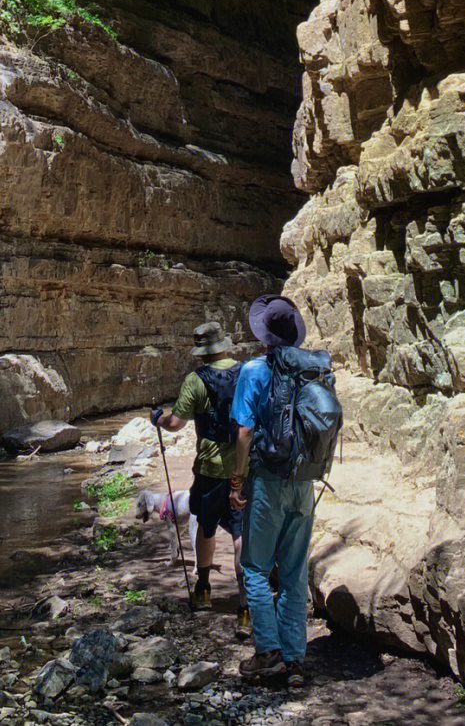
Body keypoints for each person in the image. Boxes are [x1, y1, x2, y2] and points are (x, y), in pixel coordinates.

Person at [229, 294, 313, 687]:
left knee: (255, 568)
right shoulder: (311, 372)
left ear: (263, 336)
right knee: (295, 572)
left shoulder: (253, 371)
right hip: (304, 480)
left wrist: (237, 481)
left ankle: (269, 654)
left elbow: (244, 431)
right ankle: (295, 659)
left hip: (268, 480)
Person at [151, 320, 247, 622]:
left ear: (202, 352)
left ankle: (204, 590)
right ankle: (246, 602)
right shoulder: (246, 372)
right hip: (243, 467)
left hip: (210, 470)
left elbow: (176, 423)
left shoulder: (195, 380)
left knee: (206, 528)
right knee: (240, 533)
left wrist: (158, 420)